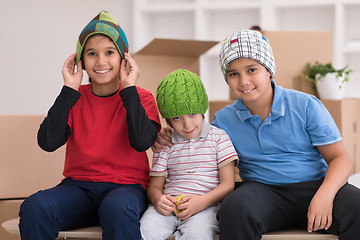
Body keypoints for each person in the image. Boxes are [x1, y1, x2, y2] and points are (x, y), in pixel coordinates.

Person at [153, 29, 360, 240]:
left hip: (315, 187)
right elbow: (195, 140)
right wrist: (166, 136)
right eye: (233, 74)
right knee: (234, 209)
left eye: (252, 70)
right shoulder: (223, 120)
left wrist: (325, 195)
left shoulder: (306, 105)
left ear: (269, 69)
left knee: (357, 205)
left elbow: (340, 159)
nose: (243, 81)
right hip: (261, 192)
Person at [18, 11, 161, 240]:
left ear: (124, 58)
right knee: (35, 207)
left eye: (109, 53)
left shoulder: (141, 97)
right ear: (81, 60)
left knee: (118, 209)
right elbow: (47, 142)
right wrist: (68, 90)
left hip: (126, 189)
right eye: (92, 53)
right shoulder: (74, 98)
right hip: (77, 189)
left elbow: (142, 141)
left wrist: (129, 89)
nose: (101, 61)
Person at [140, 69, 237, 240]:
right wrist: (157, 200)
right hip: (168, 208)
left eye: (192, 114)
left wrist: (202, 202)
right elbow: (154, 187)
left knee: (197, 235)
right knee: (144, 230)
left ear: (202, 109)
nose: (187, 124)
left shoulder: (219, 138)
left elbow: (228, 184)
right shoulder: (166, 143)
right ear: (168, 120)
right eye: (177, 118)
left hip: (206, 207)